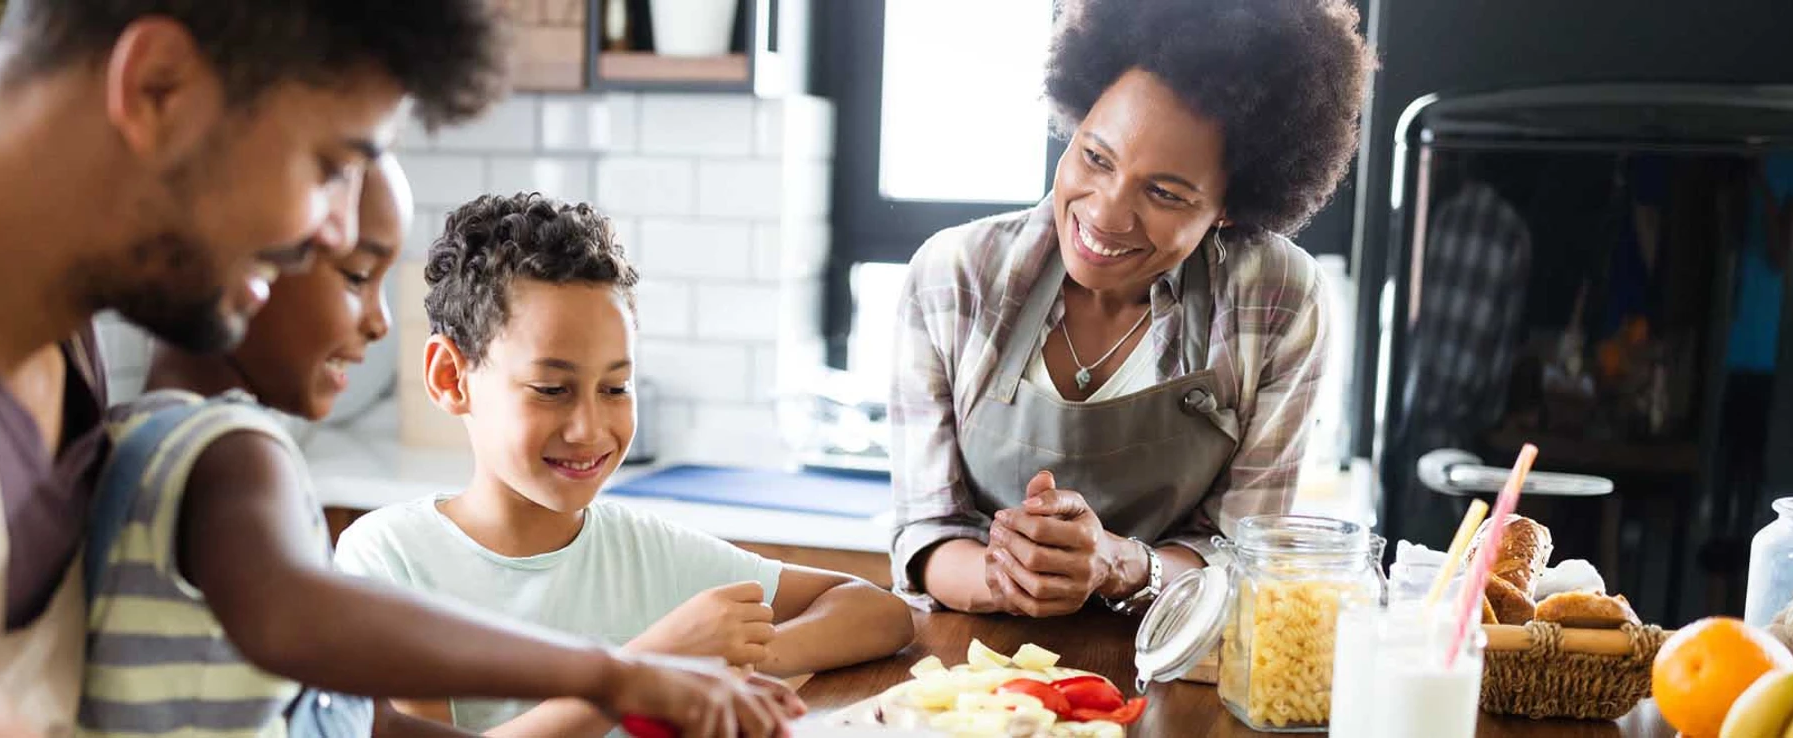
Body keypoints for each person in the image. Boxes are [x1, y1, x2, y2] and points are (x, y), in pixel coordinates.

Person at [0, 2, 795, 735]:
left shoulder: (55, 335)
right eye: (329, 166)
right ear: (157, 88)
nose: (329, 232)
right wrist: (609, 672)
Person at [83, 162, 802, 738]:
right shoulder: (228, 450)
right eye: (358, 276)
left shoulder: (166, 438)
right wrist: (615, 675)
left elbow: (370, 722)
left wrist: (641, 688)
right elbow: (300, 616)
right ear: (248, 266)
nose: (377, 323)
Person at [334, 192, 916, 737]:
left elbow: (879, 613)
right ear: (449, 378)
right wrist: (647, 667)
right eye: (551, 388)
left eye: (615, 388)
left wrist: (732, 657)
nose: (590, 428)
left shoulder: (644, 551)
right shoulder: (389, 558)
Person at [889, 0, 1373, 617]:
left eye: (1165, 193)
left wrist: (1118, 566)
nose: (1105, 214)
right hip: (976, 678)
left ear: (1230, 207)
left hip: (1176, 670)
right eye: (1095, 158)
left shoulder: (1277, 295)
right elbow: (926, 533)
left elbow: (1244, 557)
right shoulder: (954, 274)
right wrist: (1016, 576)